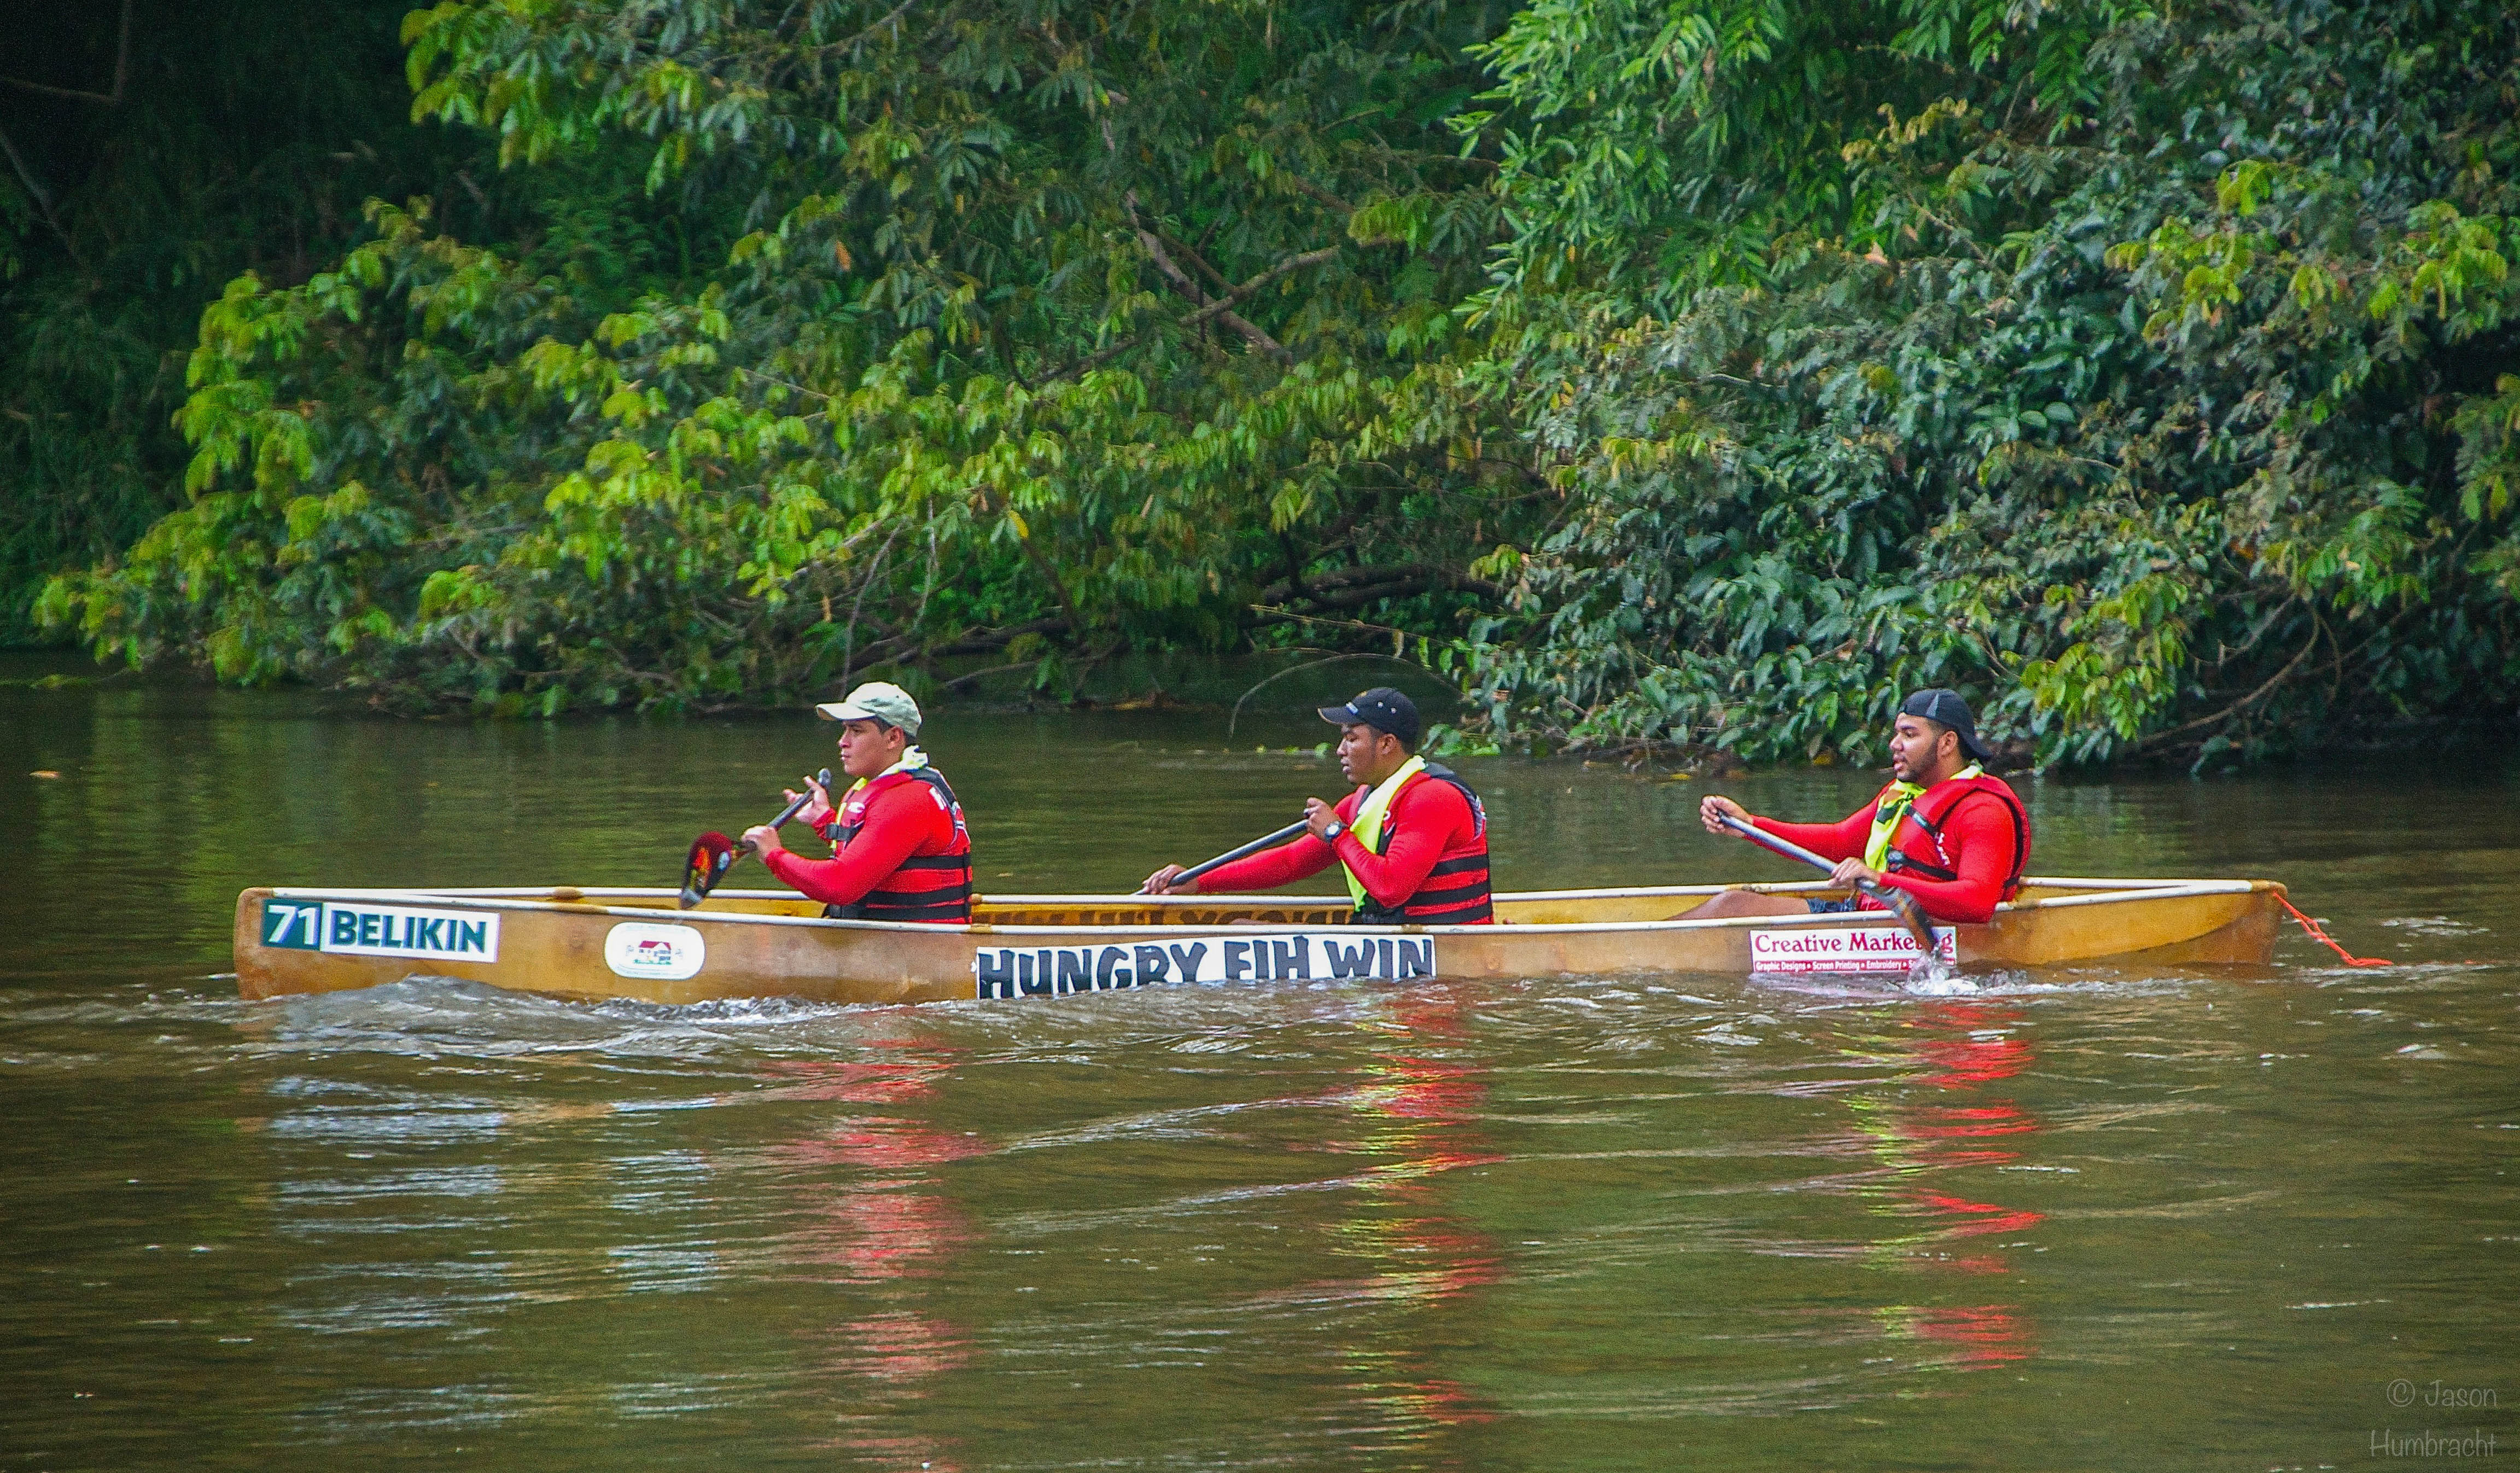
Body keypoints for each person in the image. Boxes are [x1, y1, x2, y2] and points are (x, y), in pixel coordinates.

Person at [1139, 687, 1494, 925]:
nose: (1340, 750)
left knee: (1243, 934)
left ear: (1386, 744)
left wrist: (1337, 833)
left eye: (1351, 739)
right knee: (1242, 929)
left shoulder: (1432, 798)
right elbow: (1291, 861)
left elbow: (1390, 888)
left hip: (1440, 953)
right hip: (1387, 941)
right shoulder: (1365, 800)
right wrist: (1198, 881)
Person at [1694, 688, 2031, 924]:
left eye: (1909, 735)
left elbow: (1978, 902)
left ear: (1947, 743)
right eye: (1897, 734)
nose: (1894, 745)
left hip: (1917, 933)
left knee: (1730, 907)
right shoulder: (1903, 794)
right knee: (1731, 904)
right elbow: (1841, 841)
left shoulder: (1984, 810)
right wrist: (1750, 825)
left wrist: (1880, 879)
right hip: (1869, 919)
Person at [745, 682, 974, 923]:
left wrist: (774, 856)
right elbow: (879, 846)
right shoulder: (880, 784)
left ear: (893, 738)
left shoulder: (908, 799)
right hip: (888, 949)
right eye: (845, 730)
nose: (843, 742)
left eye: (856, 731)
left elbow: (839, 886)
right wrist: (824, 820)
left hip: (918, 953)